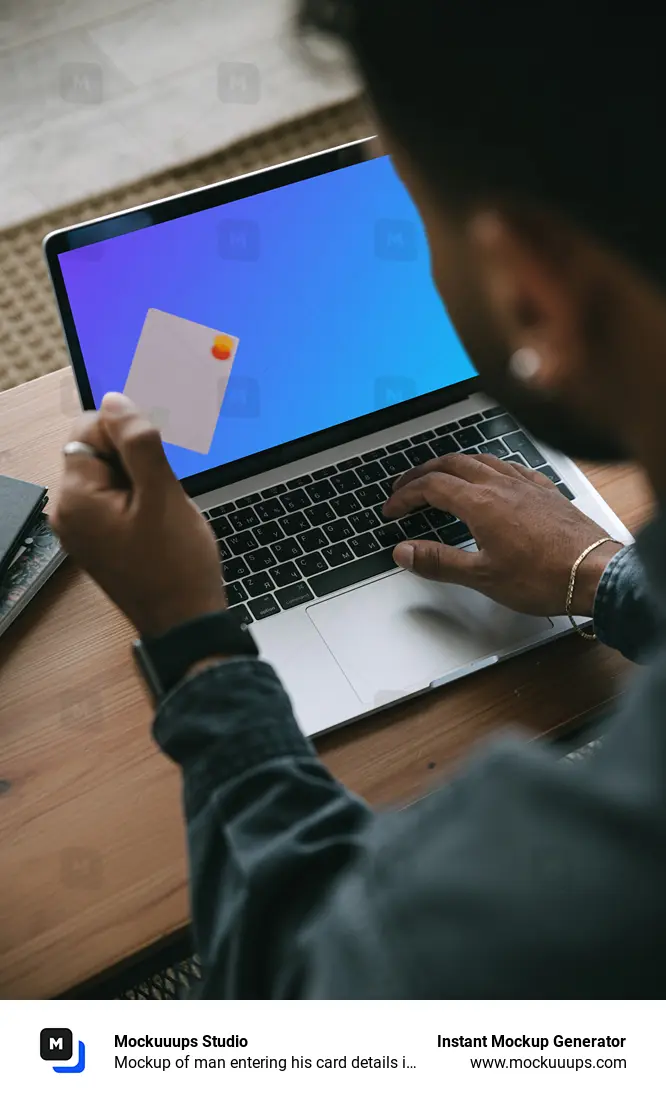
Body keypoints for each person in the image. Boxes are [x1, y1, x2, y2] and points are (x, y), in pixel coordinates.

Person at [52, 13, 666, 996]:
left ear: (531, 291)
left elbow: (309, 1004)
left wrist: (191, 636)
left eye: (418, 223)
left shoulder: (582, 871)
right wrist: (605, 576)